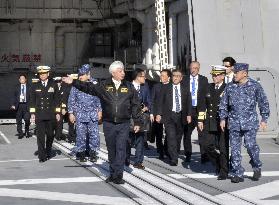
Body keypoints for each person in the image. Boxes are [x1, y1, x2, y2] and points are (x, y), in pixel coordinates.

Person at [62, 61, 142, 184]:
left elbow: (136, 104)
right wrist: (73, 82)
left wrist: (137, 121)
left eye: (123, 71)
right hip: (109, 123)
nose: (123, 73)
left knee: (121, 149)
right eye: (120, 71)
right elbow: (88, 87)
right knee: (111, 149)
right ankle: (112, 173)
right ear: (113, 72)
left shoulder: (129, 86)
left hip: (123, 123)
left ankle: (118, 175)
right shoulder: (104, 85)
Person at [219, 63, 270, 183]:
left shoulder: (255, 86)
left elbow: (263, 102)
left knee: (251, 146)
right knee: (235, 149)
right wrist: (222, 118)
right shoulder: (230, 87)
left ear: (244, 73)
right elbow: (224, 103)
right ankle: (238, 173)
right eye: (234, 72)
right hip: (234, 123)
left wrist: (264, 119)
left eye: (236, 72)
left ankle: (256, 166)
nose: (234, 74)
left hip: (250, 123)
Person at [198, 65, 229, 180]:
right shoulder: (207, 87)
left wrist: (226, 119)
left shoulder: (228, 88)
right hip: (209, 121)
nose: (214, 77)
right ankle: (218, 163)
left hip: (222, 122)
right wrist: (200, 120)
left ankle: (224, 171)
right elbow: (202, 105)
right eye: (213, 75)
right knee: (206, 145)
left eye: (216, 75)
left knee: (223, 148)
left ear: (222, 76)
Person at [156, 69, 192, 166]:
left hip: (181, 115)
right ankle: (174, 158)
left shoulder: (185, 88)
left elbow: (189, 102)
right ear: (171, 77)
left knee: (178, 137)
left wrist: (189, 114)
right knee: (171, 136)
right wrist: (159, 114)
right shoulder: (166, 88)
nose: (175, 77)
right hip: (169, 115)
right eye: (174, 75)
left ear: (181, 78)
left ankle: (174, 152)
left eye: (177, 76)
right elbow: (160, 102)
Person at [68, 64, 102, 162]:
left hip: (92, 114)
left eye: (82, 74)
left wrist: (100, 111)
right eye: (80, 75)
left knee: (94, 135)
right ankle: (81, 153)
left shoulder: (94, 84)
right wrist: (71, 113)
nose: (80, 76)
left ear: (88, 74)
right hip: (80, 114)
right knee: (80, 135)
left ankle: (93, 153)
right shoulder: (76, 85)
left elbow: (98, 98)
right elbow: (71, 100)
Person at [29, 66, 61, 163]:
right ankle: (42, 156)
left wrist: (58, 112)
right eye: (40, 74)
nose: (42, 75)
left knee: (51, 135)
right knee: (40, 136)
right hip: (40, 114)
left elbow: (57, 99)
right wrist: (32, 114)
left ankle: (48, 150)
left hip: (51, 114)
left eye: (44, 73)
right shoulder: (35, 85)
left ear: (48, 74)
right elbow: (32, 101)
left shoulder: (53, 85)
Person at [183, 61, 209, 163]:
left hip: (200, 110)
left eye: (196, 68)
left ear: (199, 69)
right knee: (187, 134)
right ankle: (188, 154)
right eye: (192, 68)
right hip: (188, 110)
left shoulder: (203, 79)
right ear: (189, 68)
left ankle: (204, 155)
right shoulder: (184, 80)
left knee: (202, 134)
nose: (194, 70)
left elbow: (206, 96)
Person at [126, 68, 151, 169]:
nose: (145, 78)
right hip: (129, 117)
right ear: (137, 77)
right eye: (143, 76)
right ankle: (126, 159)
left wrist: (147, 107)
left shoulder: (145, 87)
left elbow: (149, 100)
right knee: (128, 139)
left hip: (141, 116)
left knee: (140, 139)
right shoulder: (127, 86)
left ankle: (138, 161)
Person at [150, 69, 171, 160]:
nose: (161, 77)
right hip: (157, 114)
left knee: (169, 133)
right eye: (160, 75)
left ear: (168, 77)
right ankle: (160, 151)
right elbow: (152, 100)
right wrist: (152, 113)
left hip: (169, 115)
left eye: (163, 75)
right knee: (159, 134)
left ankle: (166, 149)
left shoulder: (172, 86)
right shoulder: (156, 86)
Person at [11, 74, 31, 139]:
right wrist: (13, 104)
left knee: (27, 119)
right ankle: (20, 133)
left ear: (25, 79)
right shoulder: (16, 87)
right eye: (20, 79)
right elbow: (13, 96)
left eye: (23, 78)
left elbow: (32, 97)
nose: (22, 80)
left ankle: (27, 131)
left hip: (27, 105)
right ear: (19, 80)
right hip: (18, 105)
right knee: (18, 120)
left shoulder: (30, 87)